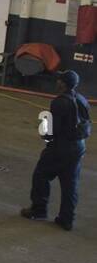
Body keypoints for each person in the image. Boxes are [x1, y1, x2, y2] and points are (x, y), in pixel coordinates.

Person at [22, 70, 90, 231]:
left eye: (59, 80)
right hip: (78, 147)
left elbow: (51, 132)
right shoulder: (82, 99)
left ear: (62, 84)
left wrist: (44, 130)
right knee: (70, 184)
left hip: (61, 148)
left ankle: (38, 210)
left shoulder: (59, 102)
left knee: (41, 175)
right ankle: (66, 220)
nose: (56, 82)